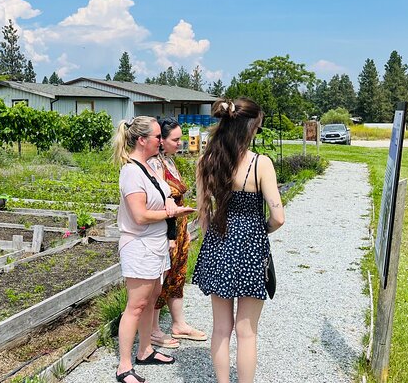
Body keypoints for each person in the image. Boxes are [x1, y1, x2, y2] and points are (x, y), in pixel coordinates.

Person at [193, 98, 285, 383]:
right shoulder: (260, 164)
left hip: (218, 244)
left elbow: (203, 214)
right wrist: (261, 230)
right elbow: (278, 216)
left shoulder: (206, 160)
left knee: (221, 328)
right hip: (250, 248)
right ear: (251, 127)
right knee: (247, 331)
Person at [112, 116, 195, 383]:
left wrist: (170, 207)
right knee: (135, 306)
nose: (161, 141)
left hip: (155, 244)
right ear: (142, 140)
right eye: (158, 136)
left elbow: (164, 199)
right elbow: (139, 215)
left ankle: (145, 350)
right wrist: (172, 212)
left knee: (151, 298)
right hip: (139, 246)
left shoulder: (149, 167)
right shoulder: (131, 172)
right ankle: (124, 366)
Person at [147, 117, 207, 349]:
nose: (180, 143)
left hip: (179, 229)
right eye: (176, 139)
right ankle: (152, 329)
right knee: (160, 279)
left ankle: (178, 323)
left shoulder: (169, 162)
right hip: (166, 231)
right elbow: (161, 202)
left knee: (178, 275)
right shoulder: (154, 165)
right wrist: (171, 236)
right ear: (161, 141)